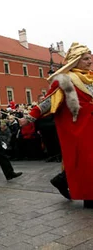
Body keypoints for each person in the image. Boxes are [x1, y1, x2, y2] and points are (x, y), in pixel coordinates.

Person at [19, 42, 93, 208]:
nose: (90, 61)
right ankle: (89, 198)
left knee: (87, 161)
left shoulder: (91, 77)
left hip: (91, 126)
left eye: (90, 58)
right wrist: (29, 118)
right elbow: (48, 102)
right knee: (86, 161)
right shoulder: (65, 79)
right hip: (77, 127)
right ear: (75, 61)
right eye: (86, 59)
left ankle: (62, 180)